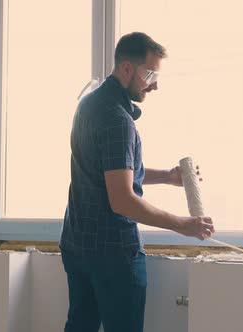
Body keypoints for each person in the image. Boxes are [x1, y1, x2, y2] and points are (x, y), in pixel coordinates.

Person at [59, 32, 214, 332]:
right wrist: (185, 225)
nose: (155, 83)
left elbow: (109, 173)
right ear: (127, 68)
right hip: (113, 254)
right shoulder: (118, 120)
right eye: (150, 73)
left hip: (77, 246)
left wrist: (168, 178)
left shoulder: (88, 104)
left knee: (79, 326)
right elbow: (123, 200)